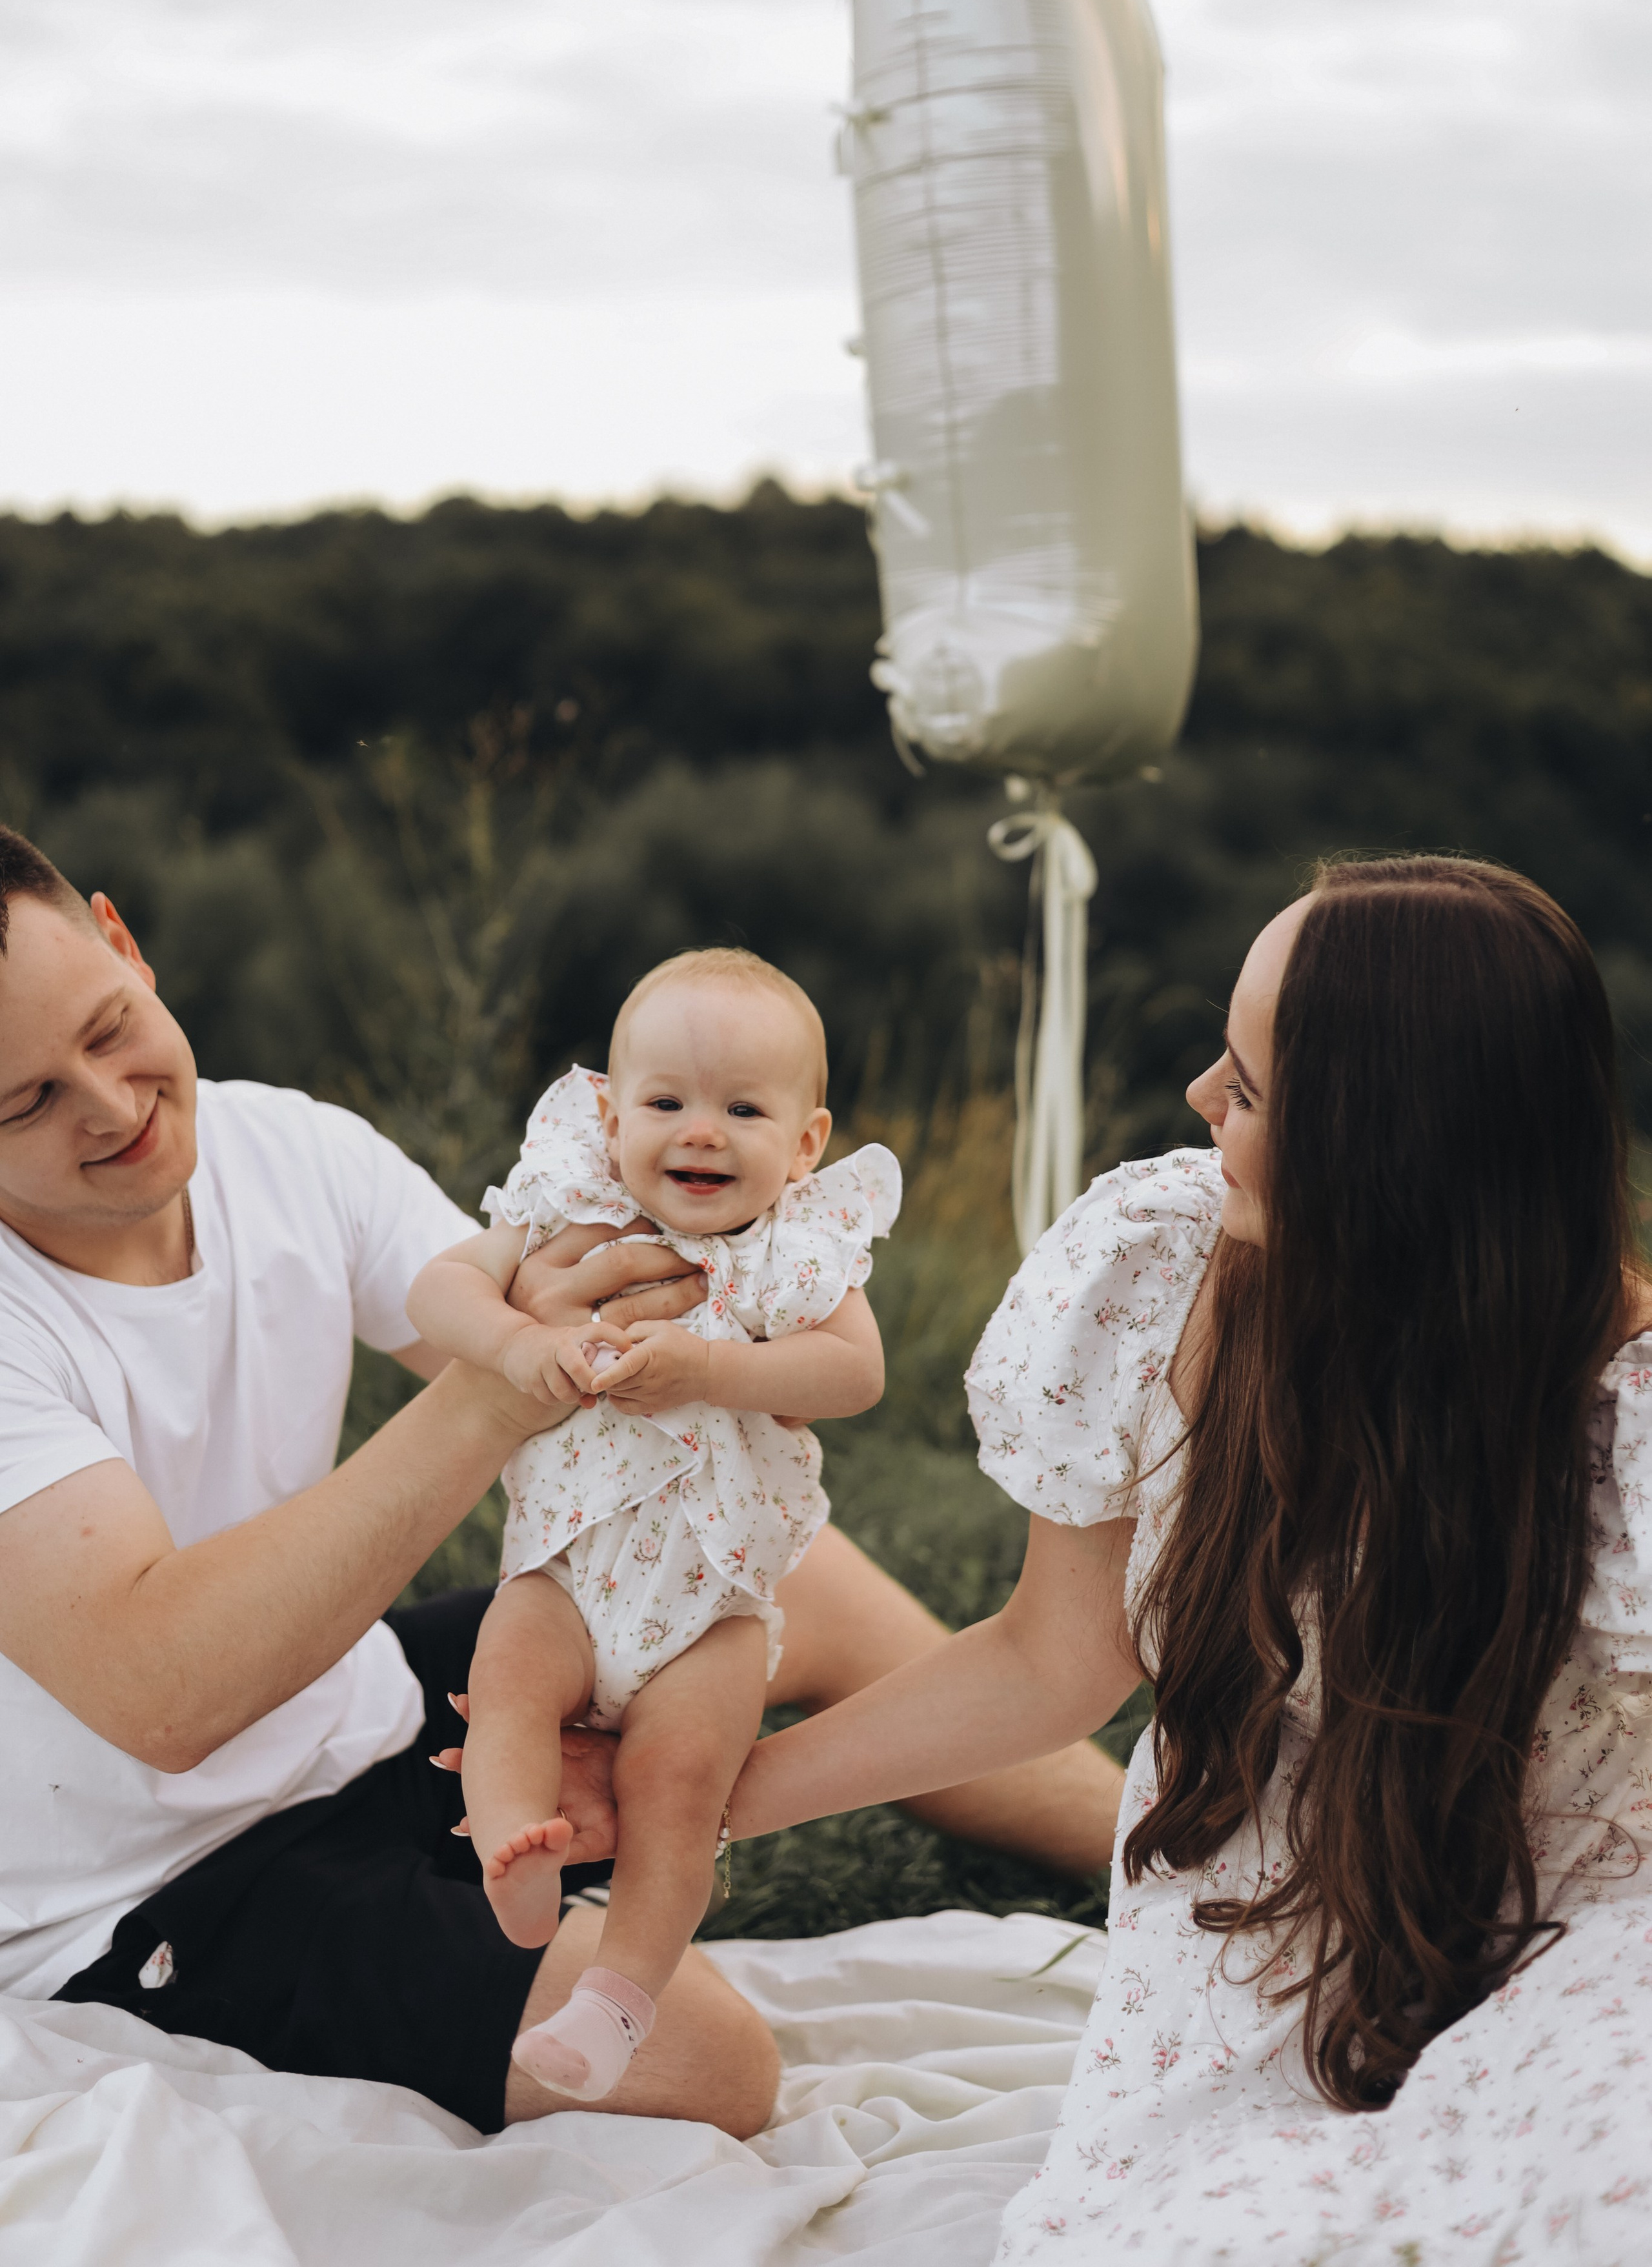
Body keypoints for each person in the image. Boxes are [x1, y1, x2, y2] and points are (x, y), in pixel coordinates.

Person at [0, 822, 1120, 2146]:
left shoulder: (284, 1147)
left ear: (123, 942)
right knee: (706, 2062)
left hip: (361, 1709)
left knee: (761, 1576)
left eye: (111, 1028)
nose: (111, 1106)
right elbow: (162, 1696)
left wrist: (677, 1328)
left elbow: (543, 1315)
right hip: (156, 1880)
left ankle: (1156, 1843)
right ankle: (574, 1850)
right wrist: (506, 1379)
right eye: (26, 1101)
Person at [721, 856, 1652, 2255]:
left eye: (1250, 1088)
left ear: (1385, 1148)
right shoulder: (1167, 1275)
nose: (1199, 1097)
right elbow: (1047, 1662)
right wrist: (700, 1802)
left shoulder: (1626, 1425)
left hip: (1577, 1944)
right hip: (1256, 1963)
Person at [407, 952, 898, 2100]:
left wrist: (717, 1369)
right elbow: (437, 1290)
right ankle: (515, 1851)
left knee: (682, 1791)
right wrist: (520, 1343)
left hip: (711, 1606)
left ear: (807, 1143)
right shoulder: (567, 1216)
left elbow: (856, 1373)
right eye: (668, 1101)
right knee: (509, 1685)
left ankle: (615, 2003)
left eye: (744, 1111)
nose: (703, 1132)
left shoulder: (793, 1251)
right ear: (612, 1118)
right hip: (566, 1573)